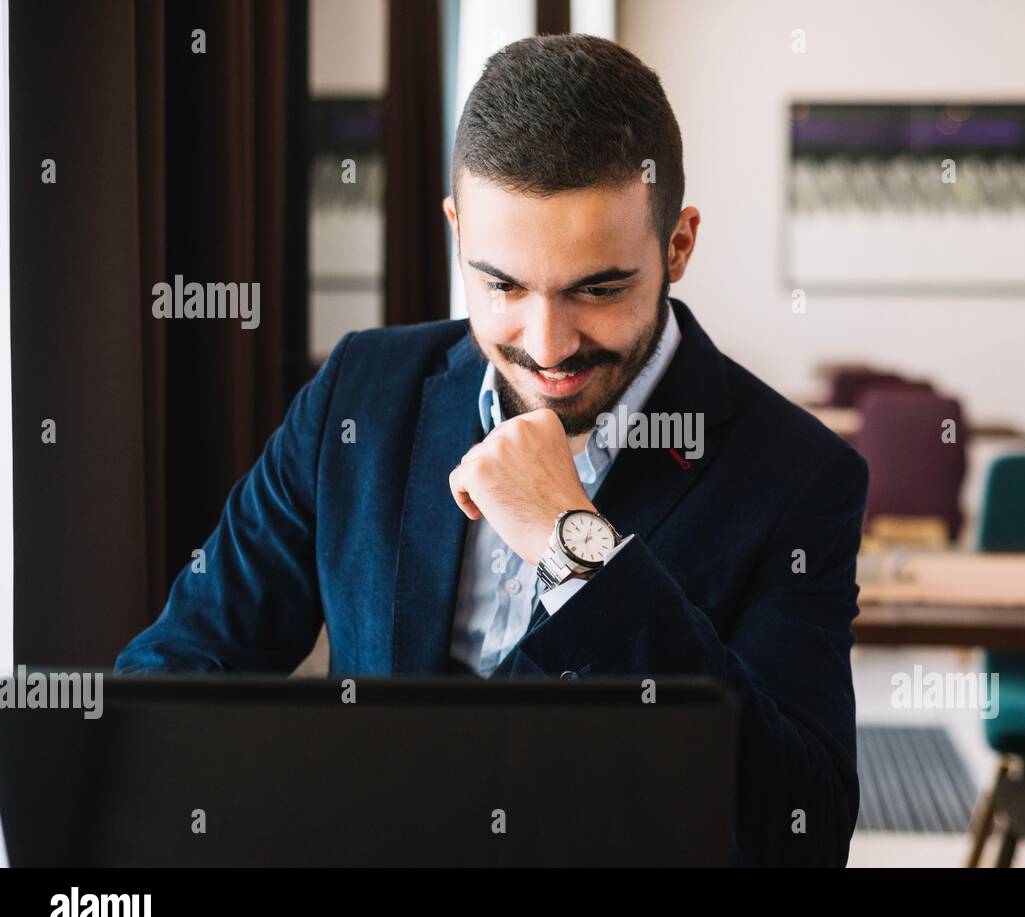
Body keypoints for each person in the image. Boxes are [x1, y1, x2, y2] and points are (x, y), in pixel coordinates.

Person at [116, 33, 869, 867]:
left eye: (599, 288)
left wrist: (575, 549)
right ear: (455, 231)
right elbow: (176, 674)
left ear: (677, 246)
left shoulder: (799, 478)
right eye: (504, 285)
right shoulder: (358, 394)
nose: (548, 346)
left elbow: (800, 826)